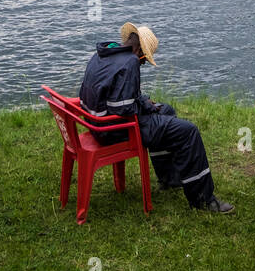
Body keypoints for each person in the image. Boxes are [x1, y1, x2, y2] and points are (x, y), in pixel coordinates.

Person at [79, 22, 234, 214]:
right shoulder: (130, 62)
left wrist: (146, 104)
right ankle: (203, 200)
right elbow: (125, 110)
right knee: (188, 131)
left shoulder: (102, 54)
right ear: (139, 50)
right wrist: (144, 106)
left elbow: (113, 98)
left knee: (166, 110)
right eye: (144, 58)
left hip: (98, 123)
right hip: (116, 130)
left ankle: (169, 179)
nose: (143, 62)